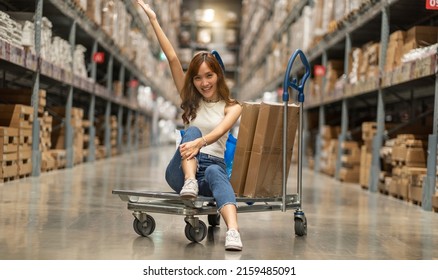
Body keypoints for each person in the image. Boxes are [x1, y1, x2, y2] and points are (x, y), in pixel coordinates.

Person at [137, 0, 243, 251]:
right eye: (197, 77)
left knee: (217, 174)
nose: (204, 82)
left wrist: (200, 143)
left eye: (209, 75)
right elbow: (173, 58)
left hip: (211, 166)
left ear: (218, 75)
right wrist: (153, 19)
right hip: (182, 169)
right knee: (191, 131)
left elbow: (220, 131)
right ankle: (189, 183)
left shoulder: (233, 106)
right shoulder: (189, 100)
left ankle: (234, 232)